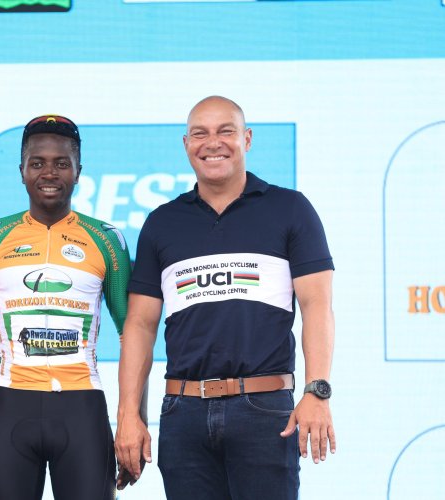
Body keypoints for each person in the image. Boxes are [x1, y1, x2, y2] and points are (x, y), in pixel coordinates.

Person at [115, 96, 336, 499]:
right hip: (183, 414)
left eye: (225, 131)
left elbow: (317, 305)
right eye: (200, 134)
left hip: (264, 411)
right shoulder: (162, 222)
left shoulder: (290, 208)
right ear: (186, 144)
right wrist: (129, 414)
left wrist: (316, 390)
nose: (212, 143)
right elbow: (140, 324)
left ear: (246, 139)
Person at [0, 115, 133, 500]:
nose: (49, 173)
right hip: (11, 406)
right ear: (21, 171)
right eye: (37, 163)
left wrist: (134, 420)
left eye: (62, 163)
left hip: (82, 408)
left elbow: (134, 336)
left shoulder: (107, 239)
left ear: (78, 172)